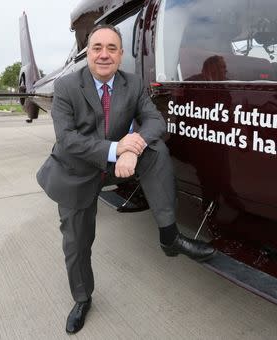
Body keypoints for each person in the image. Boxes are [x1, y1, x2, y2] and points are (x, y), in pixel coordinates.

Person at [36, 24, 215, 334]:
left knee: (155, 149)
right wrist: (116, 148)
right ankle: (82, 298)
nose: (104, 54)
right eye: (97, 48)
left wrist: (132, 150)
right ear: (88, 53)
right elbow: (66, 140)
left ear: (120, 55)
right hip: (77, 170)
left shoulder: (132, 84)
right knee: (77, 243)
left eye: (111, 48)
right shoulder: (67, 87)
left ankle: (169, 236)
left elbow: (155, 121)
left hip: (118, 162)